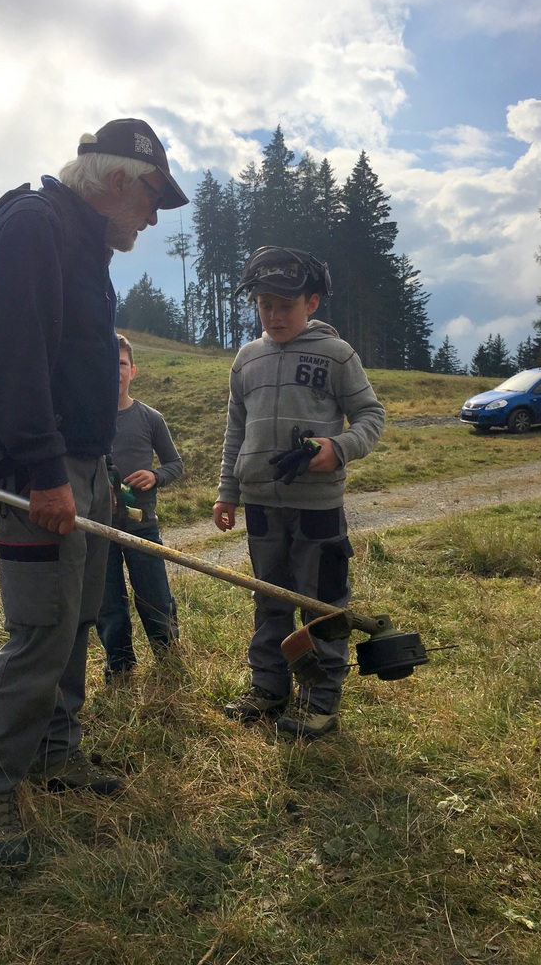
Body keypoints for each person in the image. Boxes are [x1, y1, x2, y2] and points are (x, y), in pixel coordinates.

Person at [0, 119, 189, 867]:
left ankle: (56, 752)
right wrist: (49, 473)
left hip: (84, 465)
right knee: (41, 630)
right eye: (153, 197)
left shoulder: (84, 242)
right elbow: (16, 362)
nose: (154, 217)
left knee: (80, 616)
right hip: (39, 471)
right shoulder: (34, 225)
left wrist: (87, 471)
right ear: (117, 179)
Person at [212, 246, 385, 740]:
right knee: (269, 600)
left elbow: (371, 416)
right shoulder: (246, 359)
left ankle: (319, 701)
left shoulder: (337, 355)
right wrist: (228, 492)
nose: (272, 315)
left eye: (283, 305)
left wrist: (339, 447)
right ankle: (268, 689)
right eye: (263, 305)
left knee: (323, 603)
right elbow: (235, 431)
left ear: (311, 302)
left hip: (318, 508)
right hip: (262, 506)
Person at [96, 333, 183, 681]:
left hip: (142, 525)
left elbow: (175, 464)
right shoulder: (87, 420)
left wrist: (155, 475)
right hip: (99, 528)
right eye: (107, 364)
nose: (114, 370)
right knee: (108, 605)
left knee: (155, 597)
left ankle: (169, 657)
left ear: (133, 371)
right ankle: (119, 667)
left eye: (120, 364)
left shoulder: (150, 418)